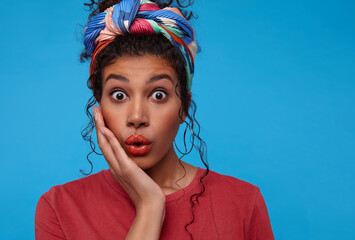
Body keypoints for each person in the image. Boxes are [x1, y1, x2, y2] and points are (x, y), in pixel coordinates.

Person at [35, 0, 275, 239]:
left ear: (184, 107)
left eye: (158, 95)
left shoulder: (243, 203)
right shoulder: (59, 208)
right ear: (99, 107)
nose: (137, 117)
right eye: (119, 95)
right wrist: (150, 206)